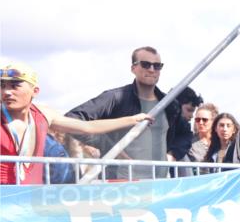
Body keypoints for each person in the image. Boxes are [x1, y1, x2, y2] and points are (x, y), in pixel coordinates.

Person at [1, 62, 152, 184]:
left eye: (15, 86)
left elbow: (87, 127)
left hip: (29, 198)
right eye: (2, 86)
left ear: (35, 91)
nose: (6, 92)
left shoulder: (43, 114)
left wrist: (132, 119)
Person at [65, 47, 189, 178]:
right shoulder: (115, 98)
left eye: (157, 66)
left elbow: (185, 134)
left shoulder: (169, 104)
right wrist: (112, 148)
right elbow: (71, 120)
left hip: (159, 183)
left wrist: (172, 155)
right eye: (145, 64)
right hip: (121, 183)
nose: (152, 69)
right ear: (133, 68)